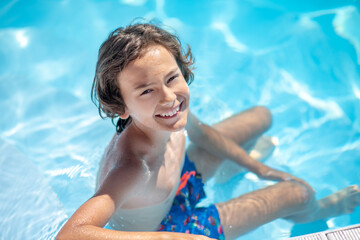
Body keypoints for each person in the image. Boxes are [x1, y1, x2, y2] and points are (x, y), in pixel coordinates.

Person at [56, 22, 360, 240]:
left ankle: (237, 168)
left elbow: (203, 135)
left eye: (172, 78)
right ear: (122, 107)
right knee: (300, 192)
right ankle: (317, 212)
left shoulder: (168, 112)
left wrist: (258, 168)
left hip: (180, 179)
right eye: (146, 91)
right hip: (174, 227)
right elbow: (71, 235)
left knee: (260, 117)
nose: (168, 97)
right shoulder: (132, 168)